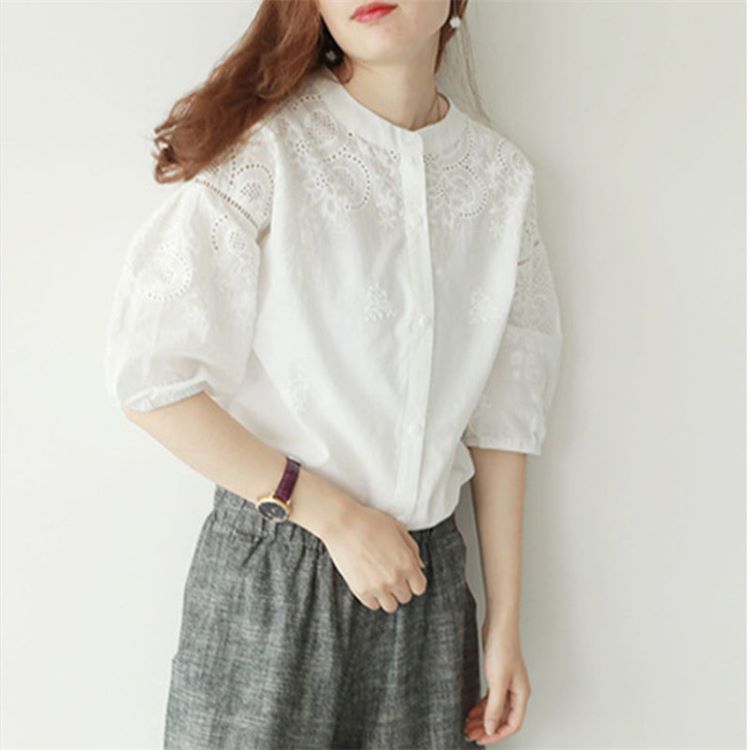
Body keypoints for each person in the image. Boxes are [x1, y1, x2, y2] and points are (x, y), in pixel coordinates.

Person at [103, 0, 563, 747]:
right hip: (274, 582)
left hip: (425, 592)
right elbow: (150, 377)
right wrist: (329, 515)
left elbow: (506, 417)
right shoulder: (267, 151)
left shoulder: (500, 181)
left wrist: (504, 623)